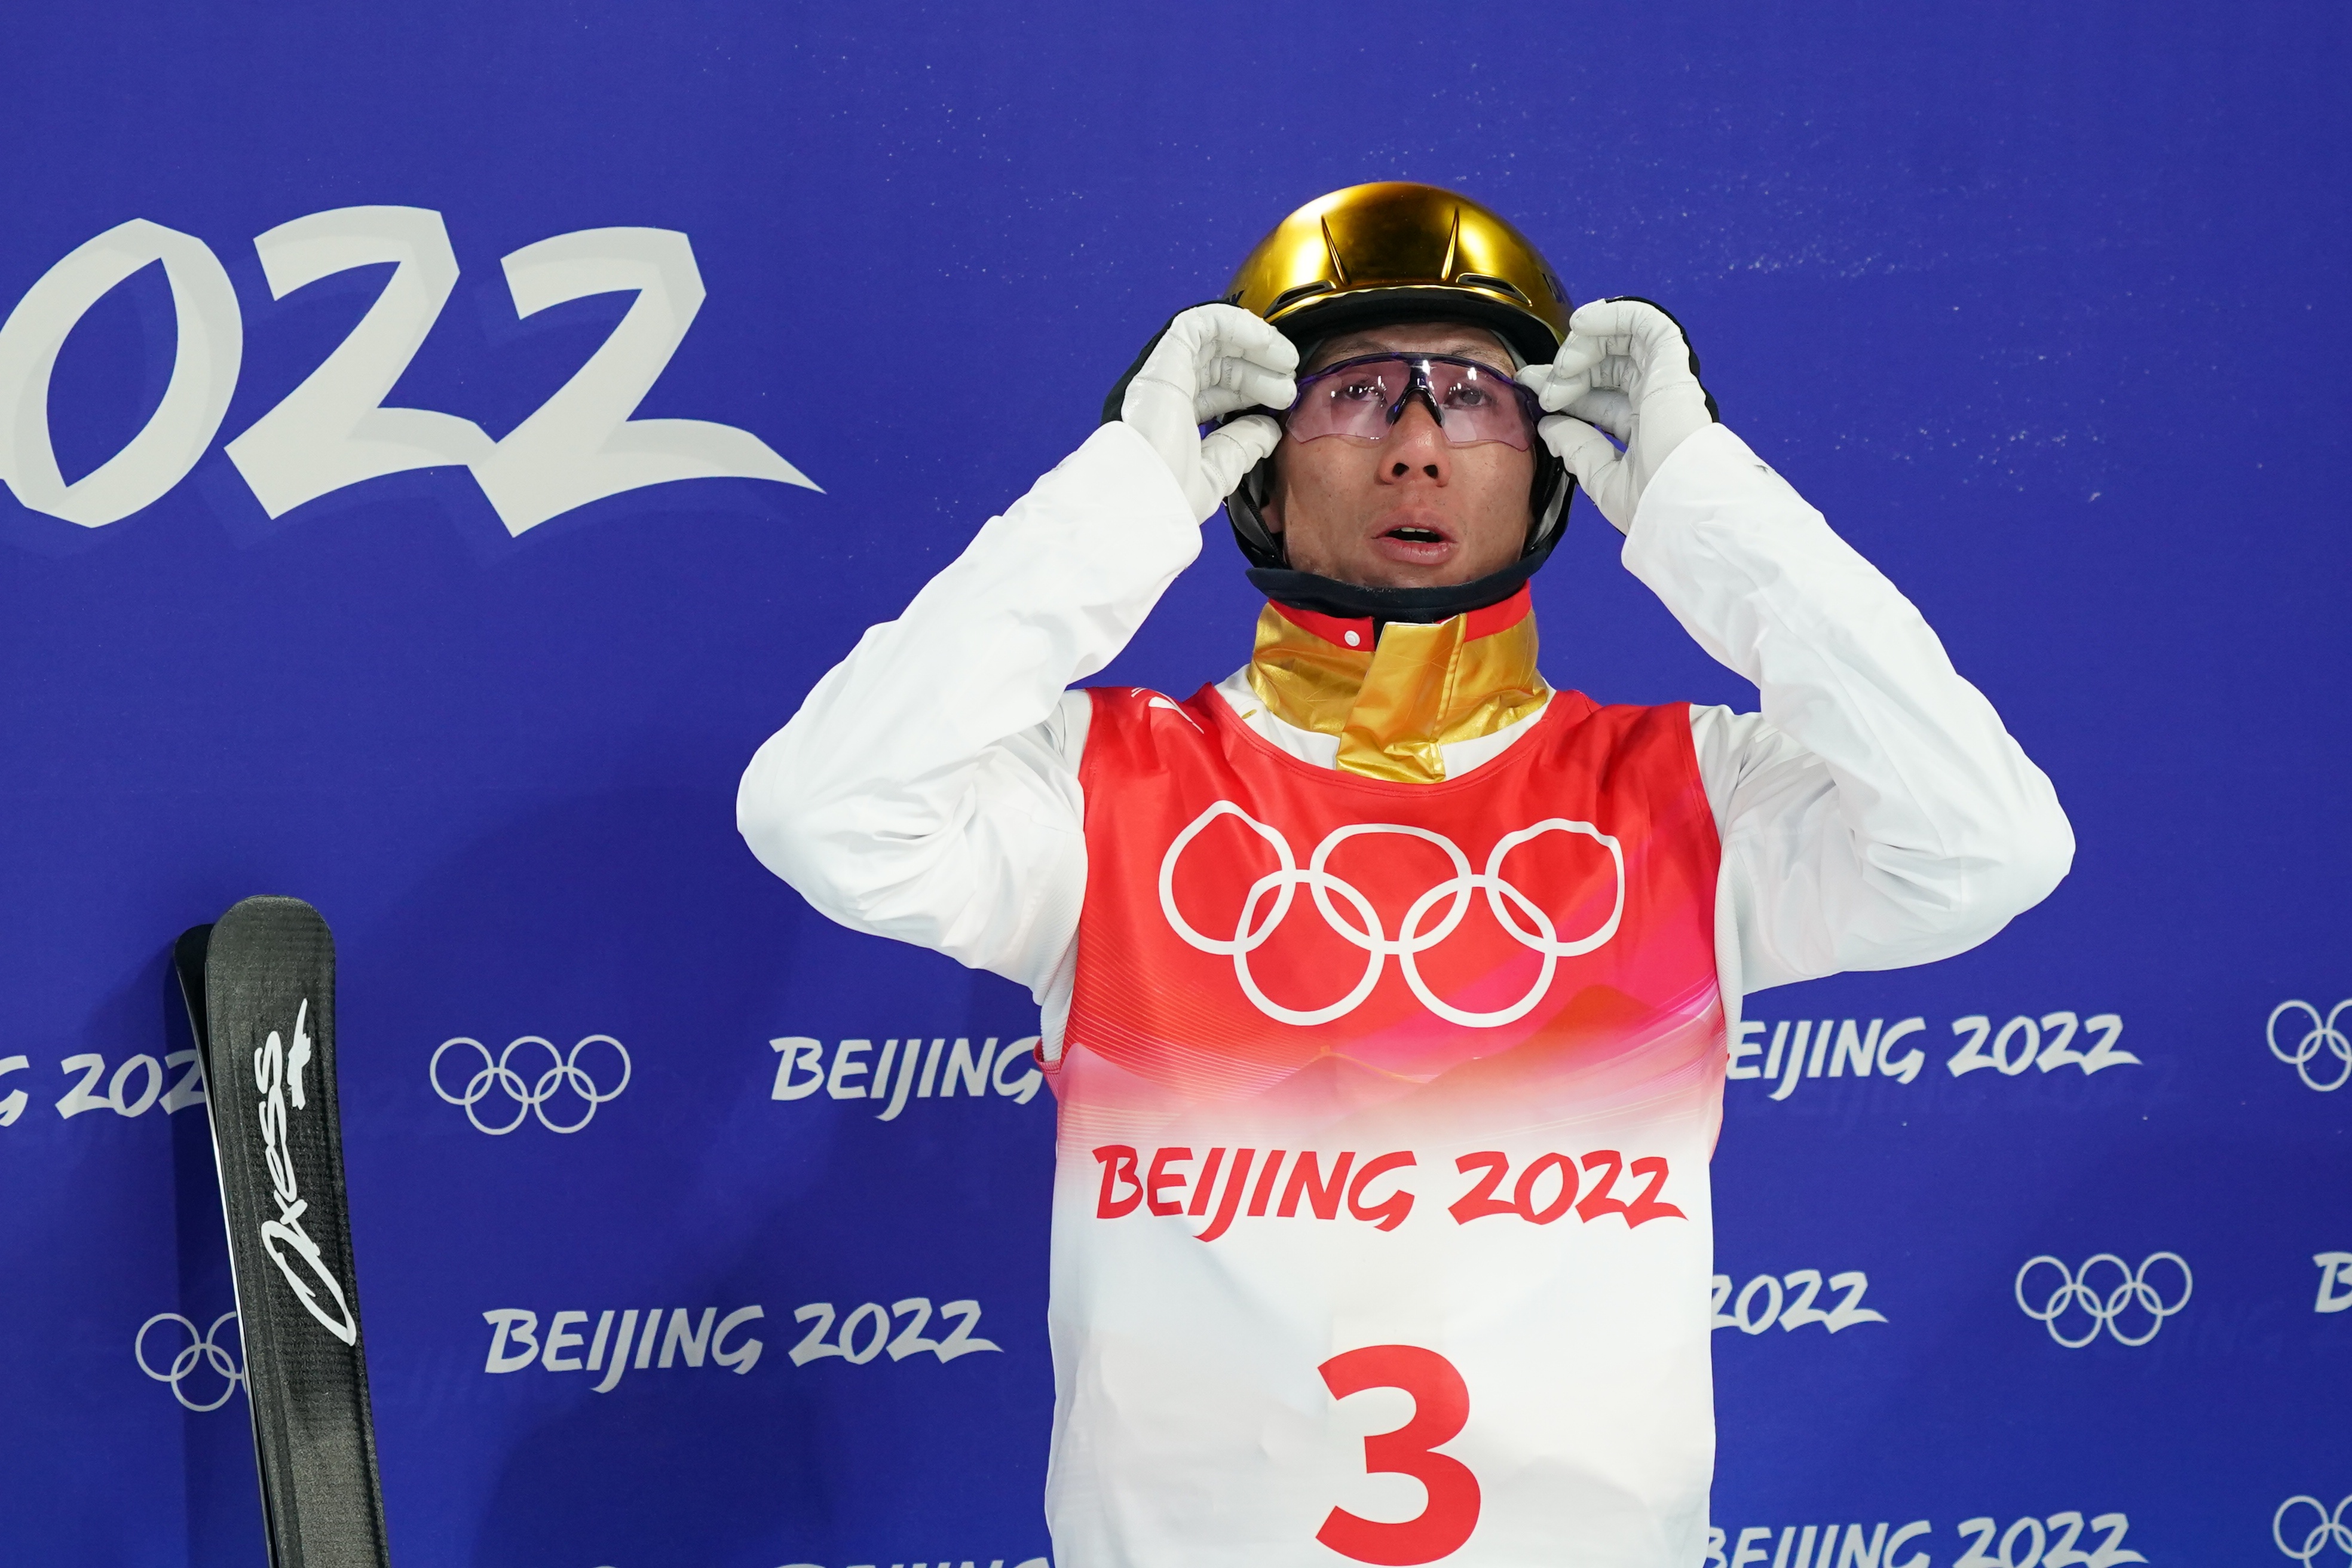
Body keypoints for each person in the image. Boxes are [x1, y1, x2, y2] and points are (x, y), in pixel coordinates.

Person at [737, 182, 2071, 1567]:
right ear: (1256, 468)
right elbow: (823, 810)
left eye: (1477, 396)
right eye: (1359, 393)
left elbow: (1989, 846)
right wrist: (1127, 493)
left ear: (1549, 468)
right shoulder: (1101, 788)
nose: (1419, 444)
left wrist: (1704, 501)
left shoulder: (1690, 792)